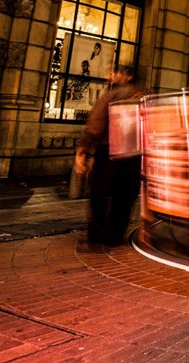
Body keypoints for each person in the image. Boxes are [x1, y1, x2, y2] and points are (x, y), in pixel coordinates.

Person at [74, 64, 144, 247]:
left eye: (115, 72)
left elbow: (95, 125)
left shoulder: (111, 96)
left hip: (109, 152)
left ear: (127, 76)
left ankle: (97, 235)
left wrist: (83, 150)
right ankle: (114, 236)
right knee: (125, 198)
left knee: (99, 195)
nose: (110, 75)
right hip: (135, 155)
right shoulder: (145, 96)